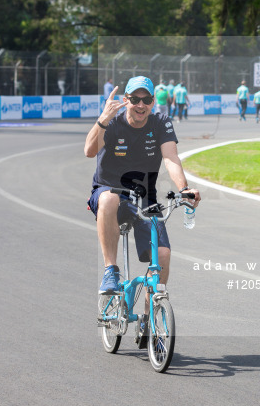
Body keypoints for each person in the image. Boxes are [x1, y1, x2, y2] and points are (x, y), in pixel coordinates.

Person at [85, 76, 201, 326]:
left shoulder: (160, 122)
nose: (140, 105)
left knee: (163, 254)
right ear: (126, 99)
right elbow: (89, 151)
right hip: (108, 189)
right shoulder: (112, 121)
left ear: (152, 102)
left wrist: (184, 189)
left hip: (144, 197)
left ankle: (149, 316)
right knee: (109, 199)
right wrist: (102, 121)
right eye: (135, 99)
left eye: (146, 100)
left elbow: (170, 158)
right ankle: (110, 272)